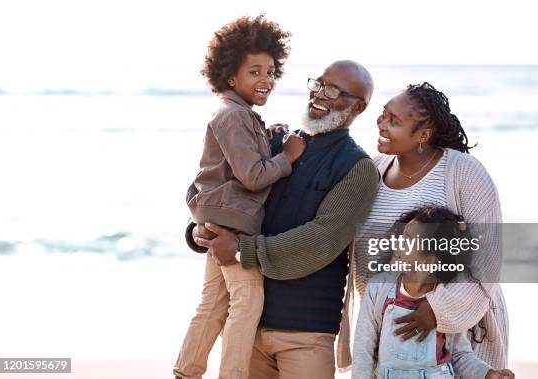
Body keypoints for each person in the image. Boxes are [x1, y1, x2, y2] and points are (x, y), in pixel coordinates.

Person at [191, 60, 380, 378]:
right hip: (246, 324)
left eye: (332, 90)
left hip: (305, 332)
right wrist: (200, 230)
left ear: (358, 107)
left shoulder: (358, 167)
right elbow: (222, 189)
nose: (319, 94)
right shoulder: (276, 143)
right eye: (317, 84)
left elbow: (321, 241)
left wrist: (240, 249)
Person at [173, 15, 306, 379]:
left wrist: (271, 135)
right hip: (233, 224)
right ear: (231, 76)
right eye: (255, 72)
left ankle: (186, 372)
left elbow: (245, 157)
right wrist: (288, 156)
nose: (266, 80)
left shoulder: (242, 114)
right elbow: (252, 175)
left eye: (270, 71)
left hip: (220, 219)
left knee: (213, 304)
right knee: (248, 302)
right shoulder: (232, 115)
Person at [351, 82, 509, 371]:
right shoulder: (374, 169)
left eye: (394, 121)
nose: (381, 124)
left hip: (458, 333)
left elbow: (487, 258)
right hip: (390, 332)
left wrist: (436, 309)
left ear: (423, 134)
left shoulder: (464, 172)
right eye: (383, 114)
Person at [353, 206, 515, 379]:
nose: (399, 242)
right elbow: (363, 350)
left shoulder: (444, 303)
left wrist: (489, 374)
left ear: (431, 260)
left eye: (407, 239)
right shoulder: (379, 288)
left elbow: (460, 357)